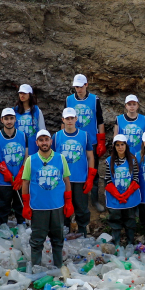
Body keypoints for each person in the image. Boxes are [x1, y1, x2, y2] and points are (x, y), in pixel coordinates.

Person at [21, 130, 74, 268]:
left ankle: (58, 266)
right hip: (38, 207)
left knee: (58, 239)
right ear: (37, 142)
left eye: (46, 139)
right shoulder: (30, 160)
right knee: (37, 239)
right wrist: (26, 205)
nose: (44, 142)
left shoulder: (60, 158)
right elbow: (25, 183)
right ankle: (36, 267)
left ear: (51, 141)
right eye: (41, 140)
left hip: (57, 206)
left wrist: (68, 201)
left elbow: (66, 180)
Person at [66, 74, 107, 212]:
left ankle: (94, 199)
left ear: (86, 85)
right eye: (76, 86)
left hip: (91, 140)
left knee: (93, 171)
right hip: (73, 140)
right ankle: (73, 199)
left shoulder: (94, 99)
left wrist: (101, 141)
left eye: (81, 86)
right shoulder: (69, 100)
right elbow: (64, 120)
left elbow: (99, 120)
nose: (78, 89)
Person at [53, 108, 94, 236]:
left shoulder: (84, 135)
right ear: (63, 120)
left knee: (81, 208)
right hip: (62, 179)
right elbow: (53, 157)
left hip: (80, 178)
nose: (69, 121)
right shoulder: (56, 136)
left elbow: (90, 156)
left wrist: (91, 177)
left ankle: (82, 232)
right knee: (62, 207)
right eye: (67, 118)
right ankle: (64, 232)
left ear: (76, 119)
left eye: (72, 118)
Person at [0, 108, 28, 227]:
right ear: (2, 120)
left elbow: (26, 156)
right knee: (3, 204)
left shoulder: (22, 136)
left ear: (15, 119)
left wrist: (22, 172)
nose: (9, 121)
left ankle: (21, 224)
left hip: (19, 177)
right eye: (6, 119)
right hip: (3, 178)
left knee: (20, 203)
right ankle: (3, 225)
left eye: (11, 118)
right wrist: (3, 170)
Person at [103, 134, 141, 247]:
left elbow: (135, 178)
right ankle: (117, 243)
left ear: (126, 145)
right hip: (115, 197)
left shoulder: (132, 160)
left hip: (130, 196)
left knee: (130, 219)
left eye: (122, 144)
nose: (120, 147)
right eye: (118, 145)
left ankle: (130, 242)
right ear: (114, 146)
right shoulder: (109, 161)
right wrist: (118, 195)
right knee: (115, 219)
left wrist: (126, 194)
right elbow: (108, 180)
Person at [15, 84, 46, 156]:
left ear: (30, 95)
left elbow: (42, 130)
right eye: (20, 93)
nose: (22, 95)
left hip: (33, 147)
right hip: (19, 147)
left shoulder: (37, 111)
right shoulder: (15, 111)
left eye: (24, 93)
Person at [116, 95, 145, 161]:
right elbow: (115, 138)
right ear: (126, 106)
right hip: (124, 154)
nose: (132, 106)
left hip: (140, 153)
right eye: (129, 104)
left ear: (137, 106)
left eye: (134, 104)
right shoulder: (119, 119)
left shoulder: (144, 119)